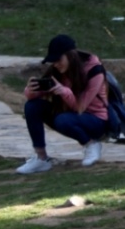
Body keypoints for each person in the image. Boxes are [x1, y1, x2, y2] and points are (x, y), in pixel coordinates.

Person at [16, 34, 111, 174]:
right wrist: (30, 90)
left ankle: (91, 144)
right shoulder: (56, 71)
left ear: (70, 56)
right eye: (53, 61)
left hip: (95, 120)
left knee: (63, 120)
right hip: (69, 115)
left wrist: (63, 91)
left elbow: (80, 107)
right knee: (32, 106)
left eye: (58, 59)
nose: (56, 64)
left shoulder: (94, 71)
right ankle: (41, 159)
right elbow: (33, 97)